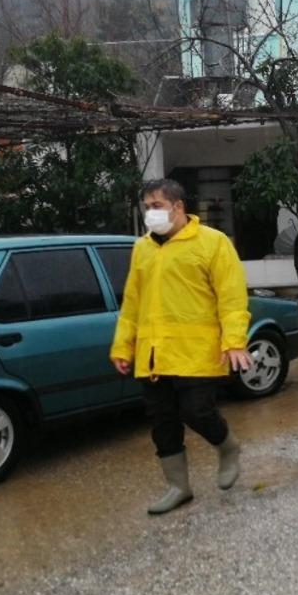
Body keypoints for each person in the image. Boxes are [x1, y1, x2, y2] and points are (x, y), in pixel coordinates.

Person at [110, 179, 254, 515]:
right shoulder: (142, 248)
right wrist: (123, 346)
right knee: (162, 423)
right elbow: (132, 302)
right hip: (153, 354)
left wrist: (234, 341)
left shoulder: (213, 243)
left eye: (157, 206)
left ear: (178, 207)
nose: (150, 213)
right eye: (146, 207)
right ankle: (178, 487)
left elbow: (232, 297)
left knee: (196, 411)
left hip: (197, 352)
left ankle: (227, 447)